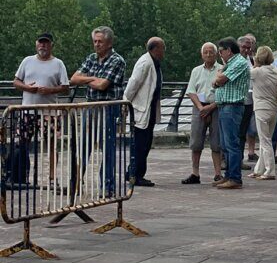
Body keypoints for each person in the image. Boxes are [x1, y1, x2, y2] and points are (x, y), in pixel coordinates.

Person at [70, 26, 127, 195]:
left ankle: (107, 187)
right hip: (90, 106)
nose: (96, 44)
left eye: (100, 41)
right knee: (83, 147)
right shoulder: (91, 58)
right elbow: (74, 78)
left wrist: (86, 79)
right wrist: (93, 78)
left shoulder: (117, 60)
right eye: (95, 41)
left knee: (107, 149)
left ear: (109, 43)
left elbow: (103, 85)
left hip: (108, 108)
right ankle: (75, 184)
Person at [13, 33, 70, 185]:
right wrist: (27, 88)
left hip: (49, 112)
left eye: (46, 43)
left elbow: (65, 87)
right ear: (36, 44)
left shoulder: (58, 64)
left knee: (52, 145)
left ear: (51, 45)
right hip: (27, 111)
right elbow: (16, 81)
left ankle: (52, 178)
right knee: (22, 144)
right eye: (40, 42)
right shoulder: (27, 61)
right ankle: (21, 177)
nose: (43, 46)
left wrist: (50, 90)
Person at [123, 37, 165, 187]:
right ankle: (135, 174)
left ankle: (134, 173)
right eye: (162, 48)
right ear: (156, 49)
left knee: (145, 143)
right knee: (140, 144)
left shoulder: (154, 62)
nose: (164, 52)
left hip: (149, 110)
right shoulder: (145, 63)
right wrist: (125, 103)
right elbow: (133, 84)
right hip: (141, 110)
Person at [211, 37, 250, 190]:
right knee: (225, 144)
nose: (219, 54)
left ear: (228, 50)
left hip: (232, 107)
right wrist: (219, 77)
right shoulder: (230, 64)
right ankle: (228, 175)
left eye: (221, 51)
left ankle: (235, 177)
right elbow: (216, 82)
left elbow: (220, 79)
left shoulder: (239, 62)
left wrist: (219, 75)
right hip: (224, 106)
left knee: (232, 143)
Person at [182, 42, 223, 185]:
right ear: (201, 54)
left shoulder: (222, 69)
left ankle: (218, 173)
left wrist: (211, 107)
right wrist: (201, 108)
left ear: (216, 54)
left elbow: (224, 92)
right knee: (196, 142)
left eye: (211, 52)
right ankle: (195, 173)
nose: (208, 54)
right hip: (199, 106)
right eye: (205, 52)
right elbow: (191, 91)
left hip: (216, 106)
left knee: (217, 142)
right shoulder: (196, 71)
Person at [249, 46, 277, 180]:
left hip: (261, 108)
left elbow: (244, 75)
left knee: (264, 141)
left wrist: (255, 64)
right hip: (274, 108)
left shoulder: (256, 72)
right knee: (266, 139)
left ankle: (270, 170)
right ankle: (259, 169)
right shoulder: (276, 70)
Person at [237, 34, 257, 168]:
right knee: (234, 132)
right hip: (236, 101)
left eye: (249, 48)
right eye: (243, 47)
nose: (246, 50)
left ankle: (239, 159)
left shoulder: (252, 60)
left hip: (249, 100)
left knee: (243, 132)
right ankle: (227, 159)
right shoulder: (233, 60)